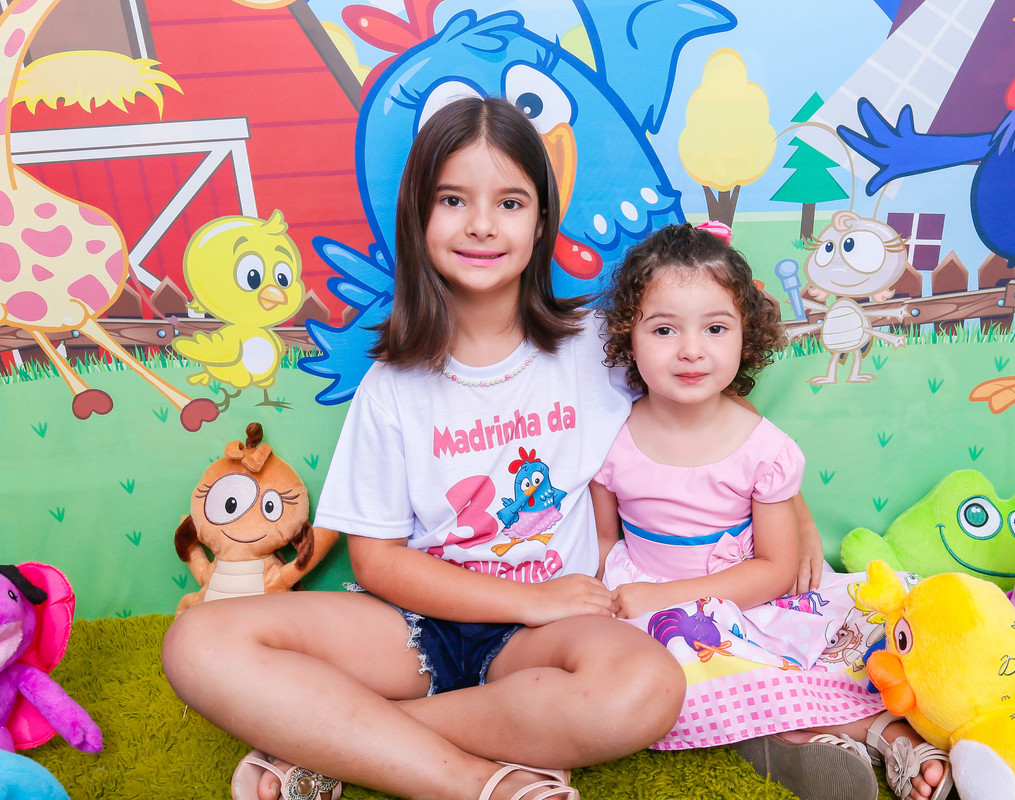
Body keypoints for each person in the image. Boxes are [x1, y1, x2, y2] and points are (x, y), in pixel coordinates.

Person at [161, 96, 686, 800]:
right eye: (452, 200)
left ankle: (337, 739)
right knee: (198, 642)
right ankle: (480, 783)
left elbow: (706, 399)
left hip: (543, 635)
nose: (481, 224)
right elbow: (376, 561)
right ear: (418, 216)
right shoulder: (392, 386)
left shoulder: (598, 347)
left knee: (646, 685)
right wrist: (524, 599)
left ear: (541, 222)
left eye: (509, 202)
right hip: (411, 629)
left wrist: (788, 506)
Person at [591, 222, 953, 800]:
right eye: (663, 329)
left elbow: (776, 569)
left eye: (715, 328)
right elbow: (604, 544)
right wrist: (619, 600)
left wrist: (669, 597)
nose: (691, 350)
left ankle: (874, 730)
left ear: (745, 336)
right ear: (627, 337)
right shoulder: (609, 439)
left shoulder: (764, 448)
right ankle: (848, 734)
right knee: (660, 674)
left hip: (751, 600)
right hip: (656, 612)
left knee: (882, 627)